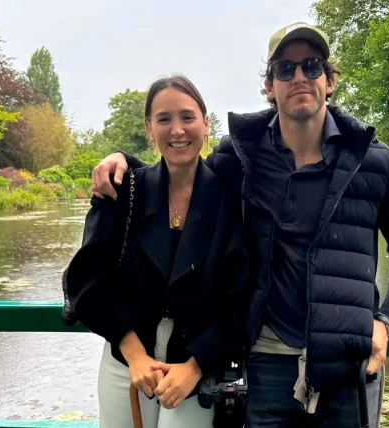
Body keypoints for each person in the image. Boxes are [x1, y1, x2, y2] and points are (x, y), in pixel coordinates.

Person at [90, 22, 389, 428]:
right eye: (285, 70)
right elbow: (178, 167)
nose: (300, 77)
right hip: (266, 367)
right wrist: (123, 163)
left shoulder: (377, 163)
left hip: (347, 364)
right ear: (270, 86)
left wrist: (386, 323)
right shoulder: (240, 154)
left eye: (311, 65)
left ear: (330, 80)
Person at [66, 75, 248, 428]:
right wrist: (134, 355)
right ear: (150, 128)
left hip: (195, 372)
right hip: (126, 367)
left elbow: (238, 294)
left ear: (206, 124)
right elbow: (89, 281)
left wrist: (195, 366)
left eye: (187, 117)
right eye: (164, 119)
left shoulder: (230, 198)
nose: (177, 130)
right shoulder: (123, 192)